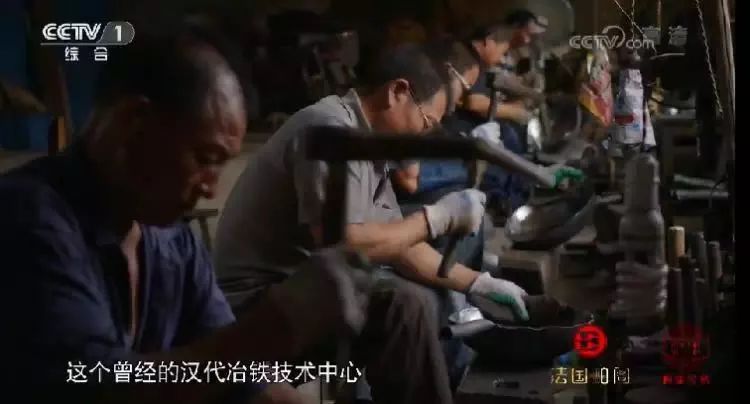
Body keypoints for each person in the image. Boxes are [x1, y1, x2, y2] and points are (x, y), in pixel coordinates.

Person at [0, 23, 373, 404]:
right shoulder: (26, 219)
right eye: (206, 158)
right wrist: (272, 328)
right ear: (134, 122)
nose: (211, 188)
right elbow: (99, 390)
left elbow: (240, 384)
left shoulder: (172, 242)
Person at [214, 43, 533, 403]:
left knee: (411, 300)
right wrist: (436, 218)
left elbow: (400, 247)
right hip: (252, 304)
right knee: (403, 305)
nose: (424, 134)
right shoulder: (329, 130)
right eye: (426, 122)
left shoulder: (368, 147)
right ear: (397, 92)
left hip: (304, 288)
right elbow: (342, 245)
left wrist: (479, 282)